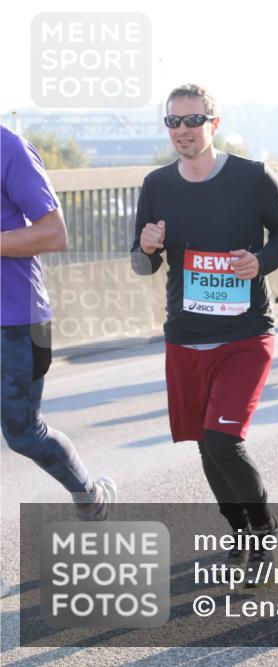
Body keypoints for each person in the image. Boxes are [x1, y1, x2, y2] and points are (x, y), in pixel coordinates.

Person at [131, 84, 278, 582]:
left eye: (192, 120)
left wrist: (260, 262)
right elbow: (142, 265)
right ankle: (239, 532)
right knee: (206, 445)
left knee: (224, 441)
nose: (182, 130)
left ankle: (265, 533)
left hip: (245, 333)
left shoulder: (252, 177)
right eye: (173, 122)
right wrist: (147, 244)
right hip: (186, 334)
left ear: (213, 123)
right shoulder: (157, 184)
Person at [1, 125, 117, 522]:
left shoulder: (9, 147)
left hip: (15, 322)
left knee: (23, 434)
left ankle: (90, 494)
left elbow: (54, 234)